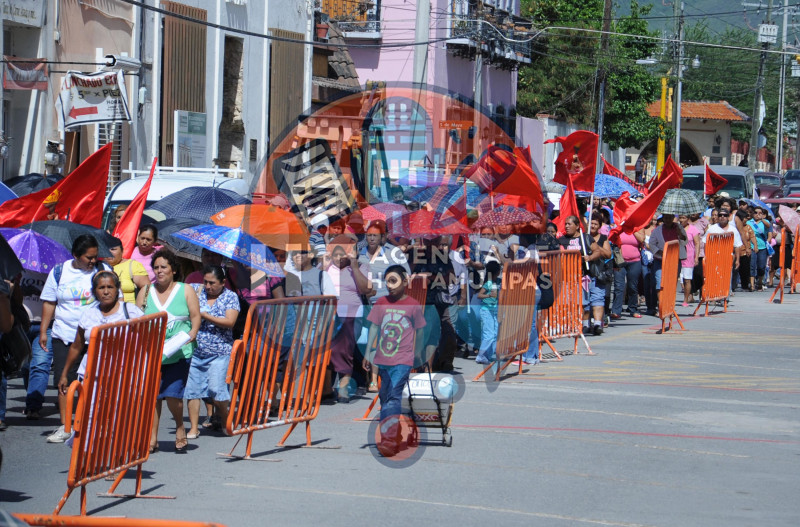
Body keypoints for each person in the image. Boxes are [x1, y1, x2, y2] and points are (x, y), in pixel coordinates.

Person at [39, 235, 112, 443]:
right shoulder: (59, 272)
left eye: (95, 257)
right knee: (64, 380)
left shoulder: (102, 270)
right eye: (88, 257)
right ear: (75, 256)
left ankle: (92, 424)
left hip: (95, 338)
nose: (92, 261)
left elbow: (115, 298)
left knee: (95, 382)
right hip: (64, 335)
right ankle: (66, 426)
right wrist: (44, 330)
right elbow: (49, 302)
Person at [137, 249, 201, 453]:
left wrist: (192, 333)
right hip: (152, 352)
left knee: (173, 395)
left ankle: (180, 426)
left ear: (173, 269)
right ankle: (151, 438)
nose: (159, 271)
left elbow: (195, 315)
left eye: (164, 267)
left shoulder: (185, 290)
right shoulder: (146, 291)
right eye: (156, 267)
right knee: (153, 397)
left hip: (179, 351)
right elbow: (137, 318)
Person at [362, 265, 426, 457]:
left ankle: (388, 439)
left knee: (393, 397)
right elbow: (373, 328)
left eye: (394, 281)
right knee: (385, 396)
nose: (390, 286)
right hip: (383, 359)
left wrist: (419, 353)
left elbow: (420, 329)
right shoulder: (381, 302)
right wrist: (368, 353)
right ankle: (394, 433)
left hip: (403, 359)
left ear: (405, 282)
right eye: (387, 281)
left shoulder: (413, 305)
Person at [56, 271, 144, 404]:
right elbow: (76, 346)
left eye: (110, 287)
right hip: (92, 374)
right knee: (90, 417)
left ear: (117, 289)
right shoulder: (88, 314)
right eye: (101, 288)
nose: (106, 291)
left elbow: (147, 341)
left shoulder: (130, 311)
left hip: (122, 376)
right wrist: (64, 374)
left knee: (116, 417)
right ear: (95, 291)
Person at [185, 266, 239, 439]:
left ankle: (224, 418)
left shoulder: (230, 297)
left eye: (212, 283)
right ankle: (193, 427)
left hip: (220, 351)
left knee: (217, 389)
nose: (208, 286)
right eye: (206, 282)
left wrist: (203, 315)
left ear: (223, 283)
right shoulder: (196, 290)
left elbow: (229, 321)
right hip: (196, 350)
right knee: (192, 391)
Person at [325, 237, 372, 403]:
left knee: (344, 350)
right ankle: (327, 388)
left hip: (352, 314)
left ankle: (344, 384)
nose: (339, 258)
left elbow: (366, 289)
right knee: (327, 351)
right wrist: (324, 266)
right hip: (329, 314)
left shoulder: (361, 267)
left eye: (343, 253)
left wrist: (353, 264)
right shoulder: (325, 267)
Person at [558, 216, 604, 334]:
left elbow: (597, 251)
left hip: (586, 275)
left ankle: (595, 325)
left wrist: (589, 257)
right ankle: (580, 325)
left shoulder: (586, 238)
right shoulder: (562, 240)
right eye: (566, 224)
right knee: (578, 303)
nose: (567, 226)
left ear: (577, 226)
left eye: (569, 224)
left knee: (592, 300)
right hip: (569, 277)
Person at [648, 214, 687, 310]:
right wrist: (661, 252)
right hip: (660, 260)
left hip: (675, 260)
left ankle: (670, 305)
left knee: (671, 283)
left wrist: (680, 234)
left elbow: (685, 241)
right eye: (666, 218)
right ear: (663, 219)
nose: (668, 220)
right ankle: (662, 306)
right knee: (659, 282)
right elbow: (651, 244)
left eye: (670, 217)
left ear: (673, 218)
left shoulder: (679, 227)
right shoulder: (657, 230)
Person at [611, 229, 645, 319]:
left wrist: (633, 230)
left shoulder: (638, 228)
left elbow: (642, 239)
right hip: (620, 261)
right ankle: (616, 310)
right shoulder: (619, 227)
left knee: (632, 286)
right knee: (619, 286)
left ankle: (633, 309)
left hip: (635, 261)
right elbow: (612, 239)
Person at [587, 214, 612, 333]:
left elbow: (608, 254)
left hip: (599, 272)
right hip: (585, 271)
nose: (593, 226)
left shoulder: (603, 238)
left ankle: (597, 324)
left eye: (595, 224)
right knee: (585, 299)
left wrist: (595, 246)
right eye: (591, 223)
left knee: (598, 297)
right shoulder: (583, 237)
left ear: (599, 226)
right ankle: (585, 324)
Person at [105, 237, 150, 303]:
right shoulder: (99, 267)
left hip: (130, 310)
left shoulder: (133, 265)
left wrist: (139, 307)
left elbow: (147, 288)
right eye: (106, 249)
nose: (109, 252)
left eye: (113, 249)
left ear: (122, 251)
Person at [475, 261, 501, 365]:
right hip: (486, 310)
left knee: (495, 334)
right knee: (488, 334)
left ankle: (488, 355)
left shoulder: (499, 282)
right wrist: (489, 296)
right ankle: (481, 356)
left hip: (495, 310)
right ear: (497, 272)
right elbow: (479, 295)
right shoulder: (488, 283)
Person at [706, 209, 742, 274]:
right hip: (713, 258)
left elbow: (737, 246)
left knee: (726, 279)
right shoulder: (711, 229)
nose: (722, 217)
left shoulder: (733, 230)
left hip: (728, 259)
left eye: (725, 215)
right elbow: (705, 243)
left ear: (728, 217)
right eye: (720, 215)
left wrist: (737, 260)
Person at [678, 215, 700, 306]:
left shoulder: (693, 229)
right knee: (678, 279)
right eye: (680, 218)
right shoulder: (676, 228)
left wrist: (696, 257)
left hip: (689, 257)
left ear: (687, 219)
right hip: (677, 256)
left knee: (687, 279)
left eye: (683, 218)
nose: (682, 220)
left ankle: (686, 299)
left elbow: (697, 243)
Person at [747, 206, 771, 291]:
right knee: (752, 265)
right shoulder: (749, 222)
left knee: (761, 266)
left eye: (760, 213)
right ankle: (752, 284)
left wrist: (762, 219)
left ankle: (760, 282)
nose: (758, 215)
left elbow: (768, 226)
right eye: (756, 213)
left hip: (762, 247)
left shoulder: (765, 222)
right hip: (752, 246)